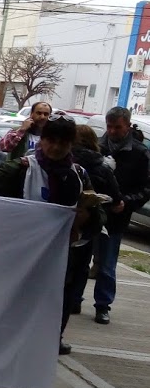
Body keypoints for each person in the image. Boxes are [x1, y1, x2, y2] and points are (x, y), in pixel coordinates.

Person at [0, 115, 94, 388]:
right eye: (50, 140)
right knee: (2, 315)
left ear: (71, 144)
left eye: (62, 143)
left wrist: (88, 215)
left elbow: (94, 211)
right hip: (14, 257)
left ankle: (29, 377)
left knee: (41, 320)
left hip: (53, 263)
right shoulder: (23, 167)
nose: (56, 148)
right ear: (42, 140)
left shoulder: (78, 175)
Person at [93, 106, 150, 325]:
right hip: (92, 211)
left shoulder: (139, 153)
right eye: (109, 126)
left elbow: (146, 187)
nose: (113, 131)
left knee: (107, 263)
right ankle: (76, 299)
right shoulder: (96, 146)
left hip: (117, 216)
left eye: (117, 127)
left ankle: (103, 305)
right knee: (81, 261)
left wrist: (127, 203)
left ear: (127, 125)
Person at [68, 125, 121, 328]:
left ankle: (73, 300)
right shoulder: (102, 165)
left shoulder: (67, 161)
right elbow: (115, 196)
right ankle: (91, 303)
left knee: (72, 263)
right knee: (92, 264)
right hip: (96, 222)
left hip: (70, 220)